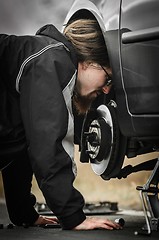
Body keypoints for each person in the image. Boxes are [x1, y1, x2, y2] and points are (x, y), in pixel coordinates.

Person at [0, 19, 120, 230]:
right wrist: (74, 217)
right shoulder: (52, 62)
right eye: (107, 78)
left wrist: (24, 214)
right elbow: (47, 145)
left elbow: (20, 146)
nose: (106, 89)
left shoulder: (45, 57)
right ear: (87, 62)